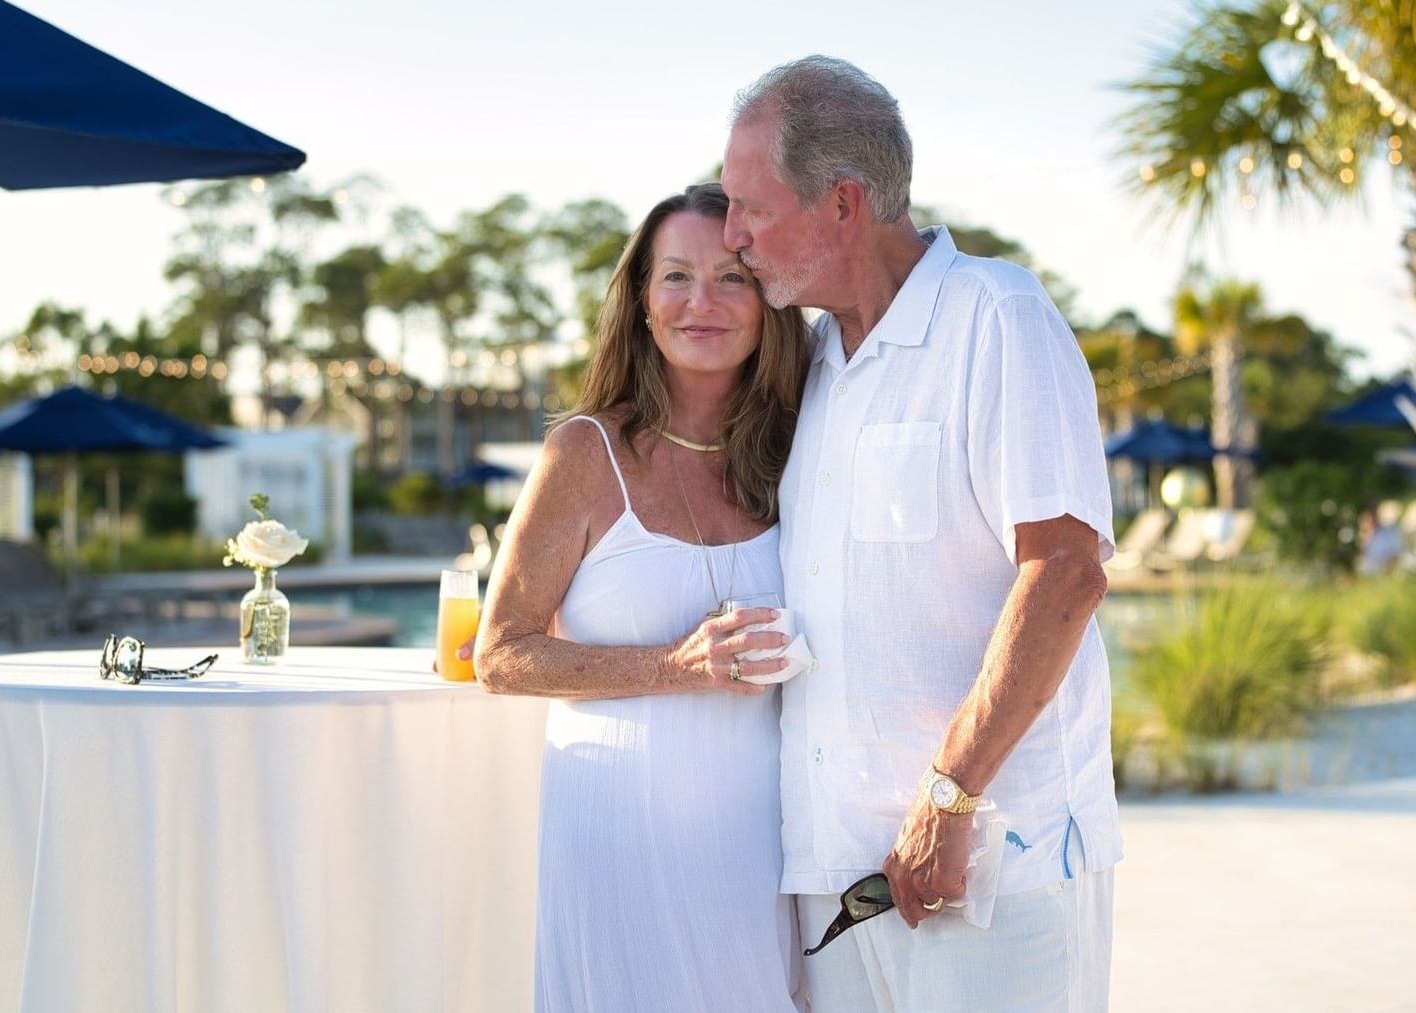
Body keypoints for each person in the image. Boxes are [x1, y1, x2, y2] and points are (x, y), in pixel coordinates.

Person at [721, 56, 1122, 1011]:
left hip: (991, 863)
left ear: (843, 205)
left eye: (751, 208)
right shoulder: (811, 362)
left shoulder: (999, 317)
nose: (734, 237)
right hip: (835, 877)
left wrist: (949, 797)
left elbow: (1063, 573)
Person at [473, 183, 810, 1012]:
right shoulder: (585, 452)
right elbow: (501, 653)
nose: (703, 302)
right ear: (641, 303)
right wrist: (678, 663)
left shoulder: (797, 451)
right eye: (675, 277)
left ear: (769, 302)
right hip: (618, 840)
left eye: (732, 277)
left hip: (759, 849)